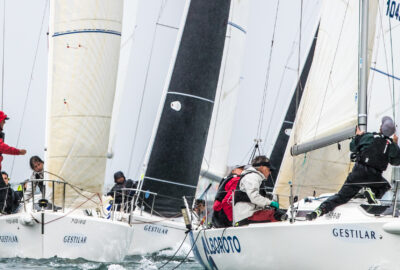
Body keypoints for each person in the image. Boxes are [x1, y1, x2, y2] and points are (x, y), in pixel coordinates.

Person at [307, 116, 400, 220]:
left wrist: (358, 136)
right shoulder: (392, 146)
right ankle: (371, 192)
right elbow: (396, 162)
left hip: (358, 173)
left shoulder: (368, 136)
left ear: (380, 128)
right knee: (385, 186)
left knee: (341, 197)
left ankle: (320, 210)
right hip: (374, 177)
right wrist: (395, 144)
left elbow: (353, 147)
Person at [233, 155, 282, 226]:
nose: (270, 172)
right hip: (247, 215)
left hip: (250, 213)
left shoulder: (255, 177)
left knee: (279, 213)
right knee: (277, 215)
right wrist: (271, 203)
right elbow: (254, 197)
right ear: (262, 167)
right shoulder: (252, 177)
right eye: (269, 169)